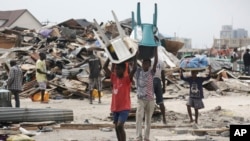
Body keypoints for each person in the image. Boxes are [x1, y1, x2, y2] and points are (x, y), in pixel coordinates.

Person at [103, 56, 137, 141]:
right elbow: (104, 67)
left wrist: (135, 57)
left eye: (118, 69)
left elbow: (134, 69)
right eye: (115, 69)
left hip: (124, 108)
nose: (116, 71)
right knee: (116, 127)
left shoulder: (127, 79)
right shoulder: (114, 78)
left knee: (120, 126)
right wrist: (110, 56)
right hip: (115, 107)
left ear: (123, 70)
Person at [135, 47, 158, 141]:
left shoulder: (151, 72)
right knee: (139, 116)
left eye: (147, 63)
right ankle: (138, 137)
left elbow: (156, 61)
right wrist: (136, 53)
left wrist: (155, 49)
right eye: (144, 62)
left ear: (149, 65)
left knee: (148, 120)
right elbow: (133, 63)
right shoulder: (138, 72)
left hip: (150, 99)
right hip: (140, 98)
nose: (145, 64)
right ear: (142, 63)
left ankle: (146, 137)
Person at [153, 58, 167, 124]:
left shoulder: (149, 60)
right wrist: (164, 86)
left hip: (151, 80)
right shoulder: (161, 62)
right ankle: (164, 119)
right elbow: (163, 75)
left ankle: (148, 119)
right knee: (160, 101)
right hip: (158, 81)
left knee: (148, 100)